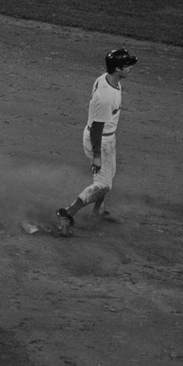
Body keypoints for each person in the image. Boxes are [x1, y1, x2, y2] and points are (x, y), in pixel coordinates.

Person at [56, 48, 138, 236]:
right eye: (127, 66)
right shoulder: (105, 97)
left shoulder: (108, 78)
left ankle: (97, 212)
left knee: (109, 177)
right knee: (103, 185)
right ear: (117, 69)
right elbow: (96, 129)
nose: (130, 68)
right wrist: (97, 156)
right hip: (99, 141)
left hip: (108, 138)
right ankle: (67, 213)